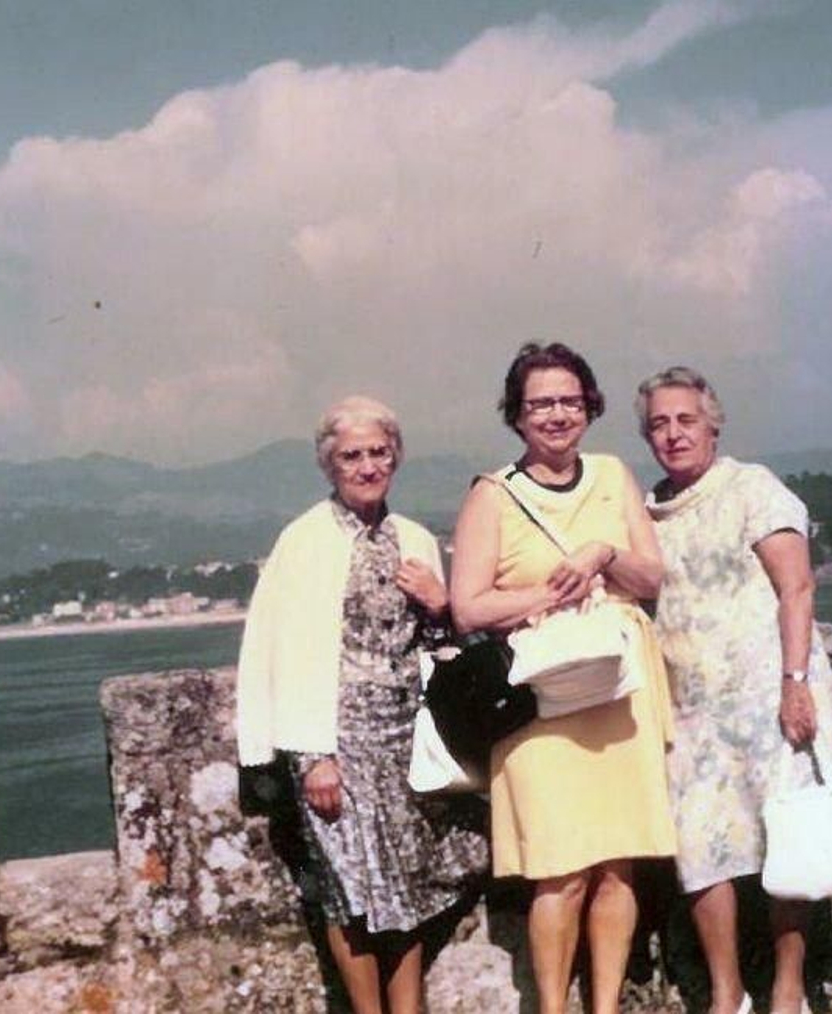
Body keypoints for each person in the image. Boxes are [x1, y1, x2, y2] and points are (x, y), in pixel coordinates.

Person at [235, 396, 487, 1014]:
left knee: (406, 882)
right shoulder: (305, 541)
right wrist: (314, 756)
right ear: (329, 465)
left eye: (379, 452)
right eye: (353, 455)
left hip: (403, 739)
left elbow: (441, 652)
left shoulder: (417, 538)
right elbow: (284, 649)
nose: (369, 466)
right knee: (347, 885)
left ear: (395, 457)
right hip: (335, 741)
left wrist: (440, 604)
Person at [450, 342, 677, 1014]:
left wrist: (602, 552)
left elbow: (653, 577)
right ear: (517, 416)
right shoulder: (493, 496)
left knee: (618, 863)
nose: (556, 415)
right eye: (540, 403)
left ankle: (603, 1007)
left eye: (569, 401)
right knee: (559, 872)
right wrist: (551, 594)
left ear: (590, 407)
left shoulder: (612, 476)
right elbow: (469, 606)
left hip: (620, 687)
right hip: (542, 696)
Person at [637, 366, 832, 1014]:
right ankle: (726, 992)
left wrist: (795, 684)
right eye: (659, 423)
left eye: (686, 419)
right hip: (693, 706)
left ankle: (789, 988)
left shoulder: (752, 488)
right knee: (703, 850)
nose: (674, 433)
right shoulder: (647, 514)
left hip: (769, 691)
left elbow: (796, 587)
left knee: (786, 838)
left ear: (713, 423)